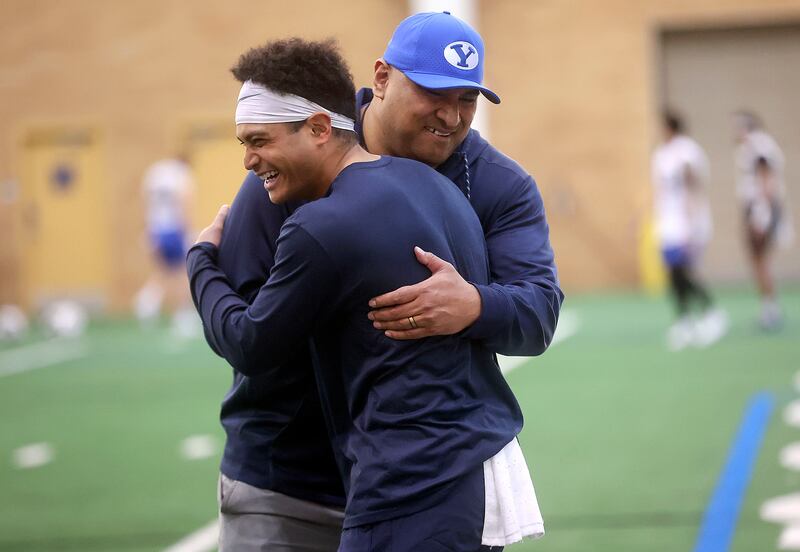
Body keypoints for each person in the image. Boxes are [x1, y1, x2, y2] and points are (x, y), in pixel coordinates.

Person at [206, 12, 561, 551]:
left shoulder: (496, 185)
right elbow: (253, 329)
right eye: (432, 92)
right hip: (290, 481)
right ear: (381, 78)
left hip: (416, 481)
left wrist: (475, 305)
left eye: (467, 99)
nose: (451, 115)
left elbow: (538, 315)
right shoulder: (298, 155)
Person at [651, 110, 726, 350]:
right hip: (668, 221)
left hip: (686, 221)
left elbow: (693, 186)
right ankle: (684, 319)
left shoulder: (687, 151)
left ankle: (712, 312)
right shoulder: (661, 154)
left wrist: (691, 221)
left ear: (670, 127)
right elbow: (661, 190)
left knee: (685, 270)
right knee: (673, 273)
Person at [733, 110, 792, 330]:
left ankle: (770, 308)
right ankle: (768, 306)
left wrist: (761, 215)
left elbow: (766, 181)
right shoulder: (753, 148)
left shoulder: (758, 146)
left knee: (761, 260)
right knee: (758, 260)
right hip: (759, 208)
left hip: (761, 210)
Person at [133, 154, 198, 337]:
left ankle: (146, 304)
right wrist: (187, 230)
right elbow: (185, 201)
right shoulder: (182, 174)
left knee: (162, 273)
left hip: (155, 229)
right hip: (173, 229)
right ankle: (183, 316)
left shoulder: (155, 172)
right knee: (182, 272)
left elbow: (144, 201)